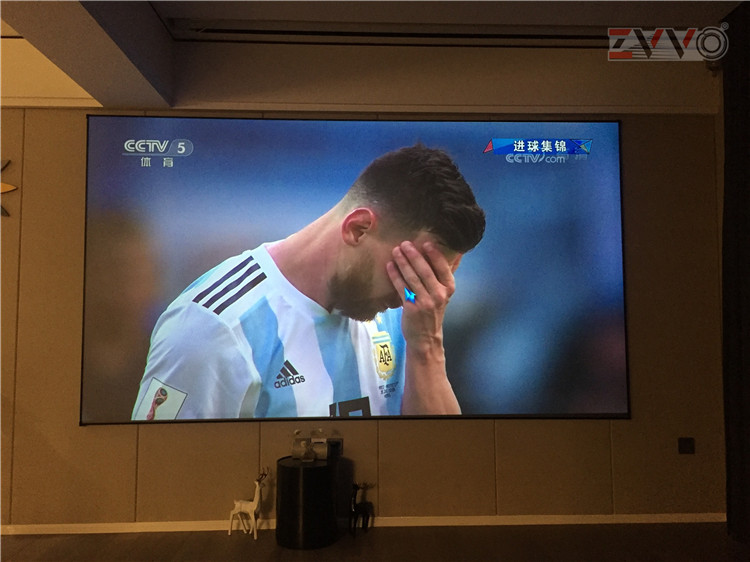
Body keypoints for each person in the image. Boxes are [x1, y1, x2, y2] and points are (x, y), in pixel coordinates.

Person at [132, 144, 485, 420]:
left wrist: (426, 346)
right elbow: (159, 472)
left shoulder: (409, 317)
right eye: (410, 270)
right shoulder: (215, 328)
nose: (415, 292)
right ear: (358, 229)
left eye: (431, 277)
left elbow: (445, 463)